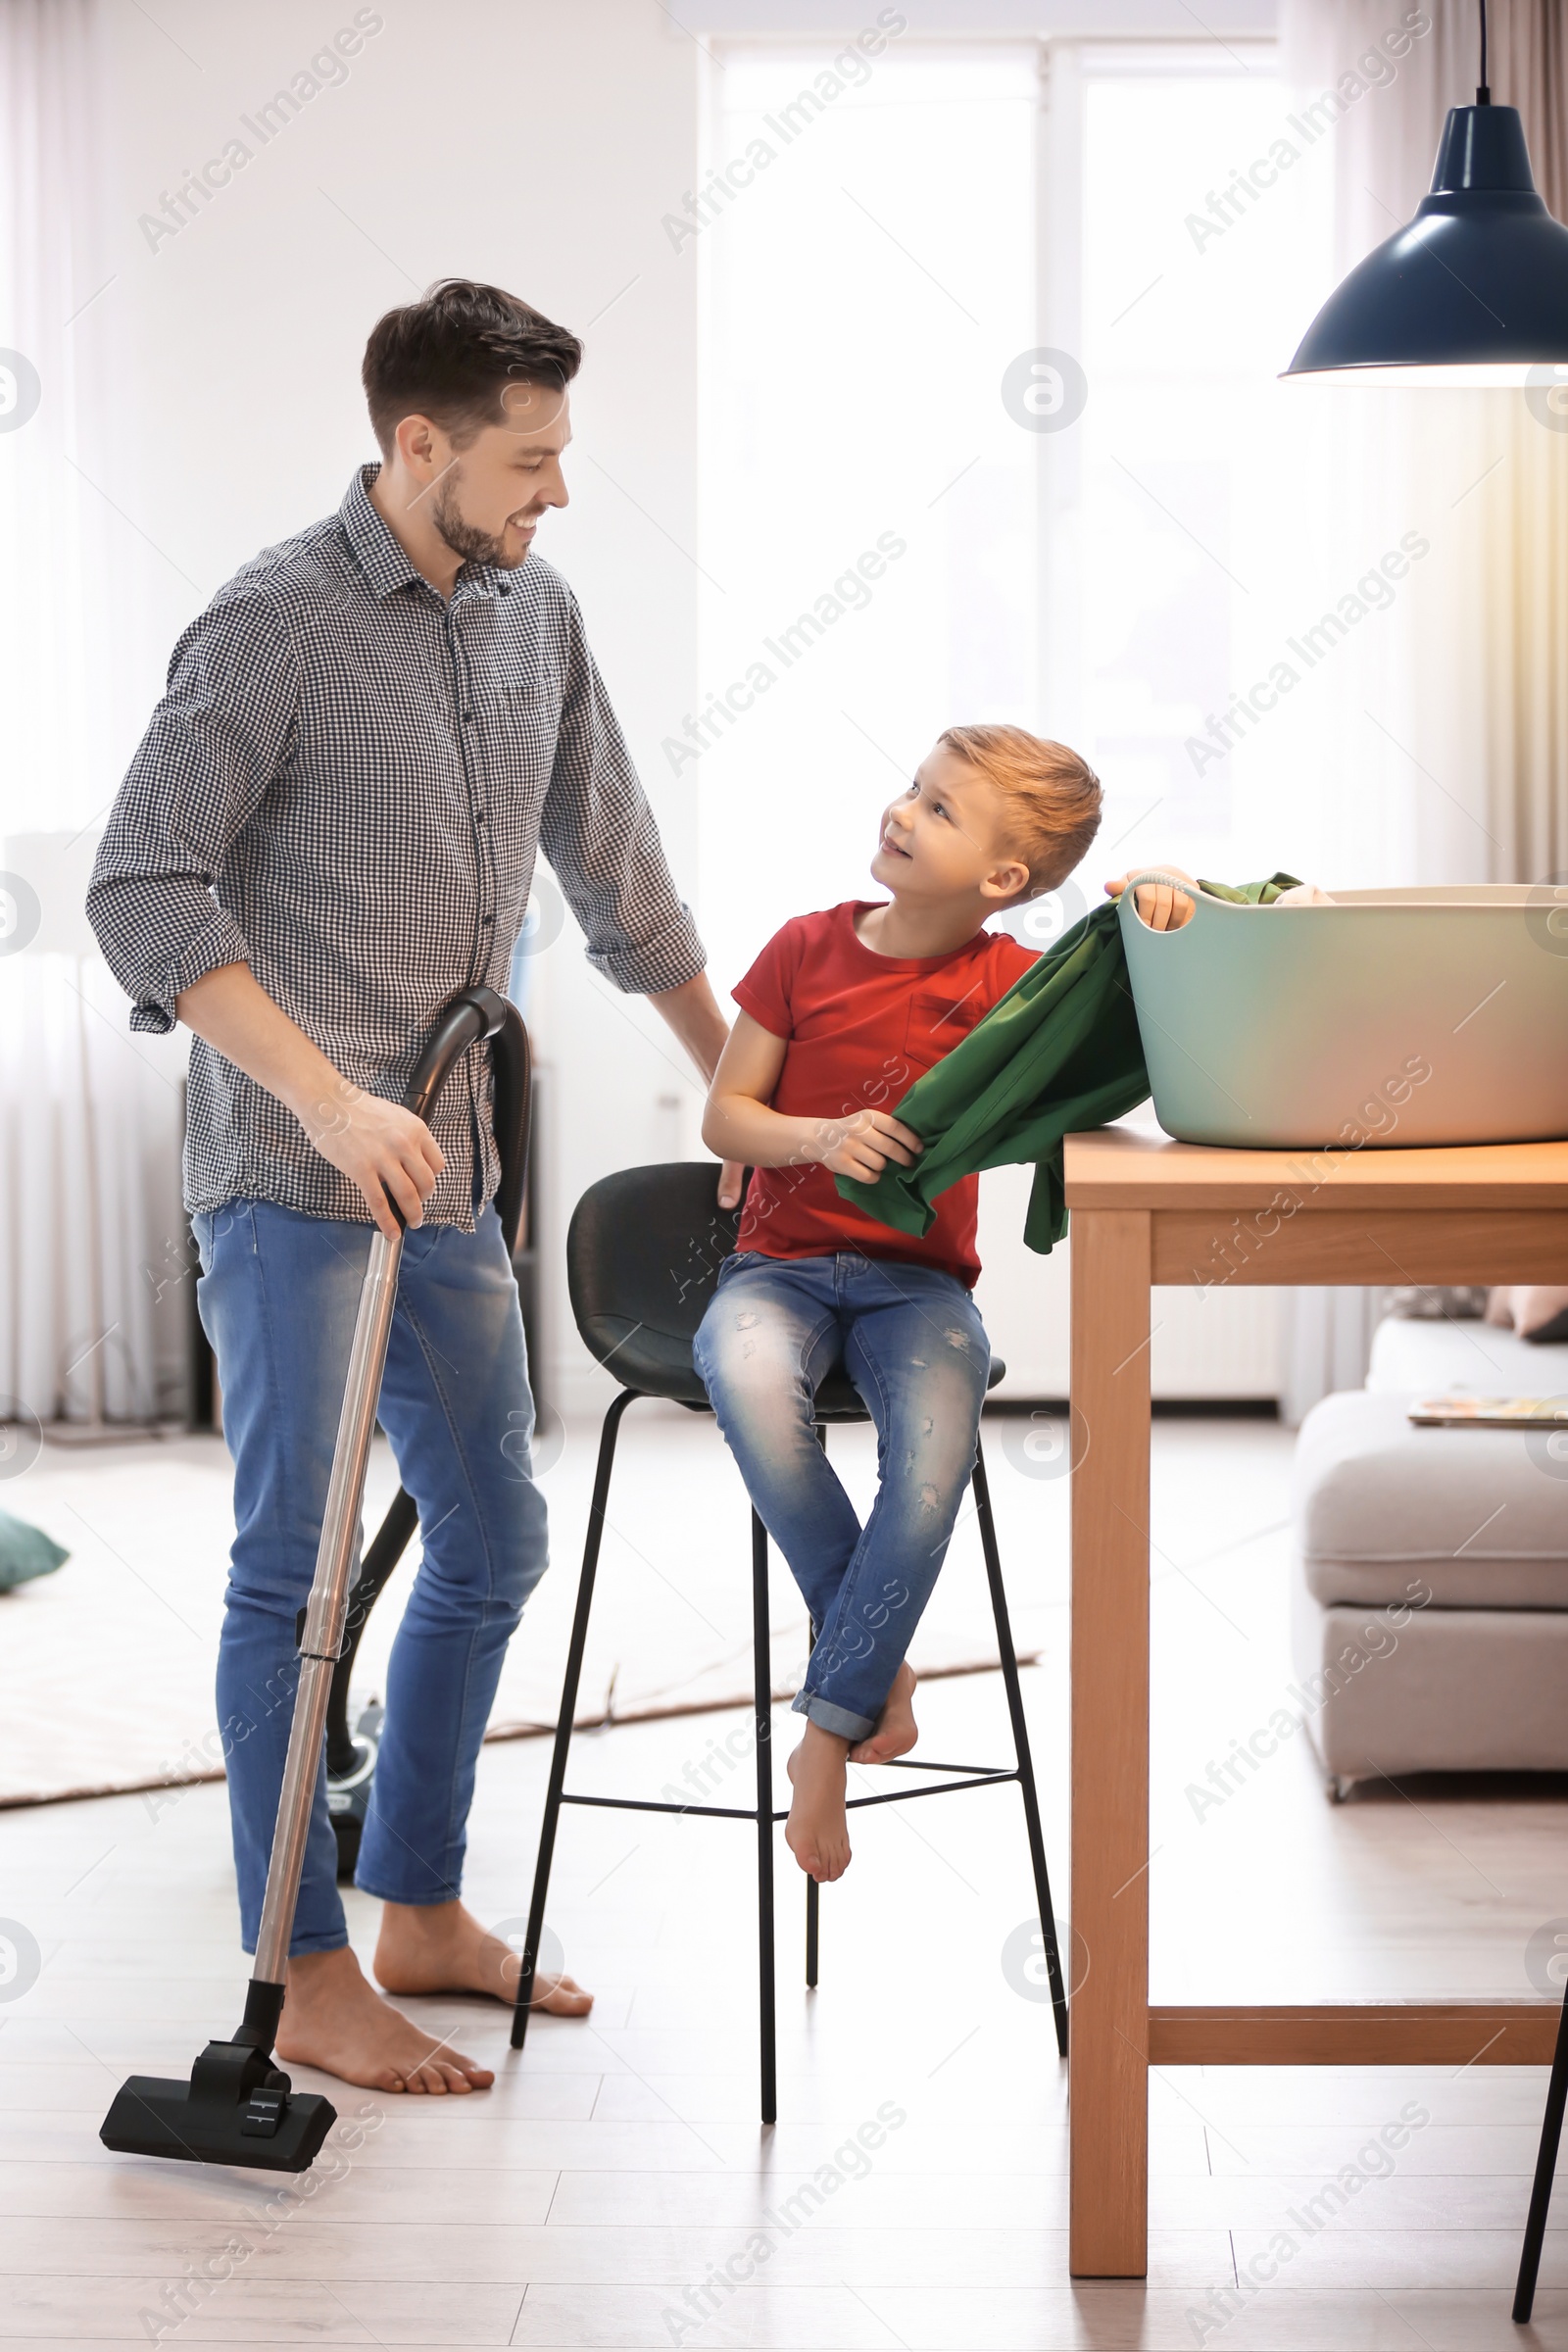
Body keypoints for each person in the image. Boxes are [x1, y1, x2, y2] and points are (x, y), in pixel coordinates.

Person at [87, 279, 739, 2095]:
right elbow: (144, 892)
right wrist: (325, 1096)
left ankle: (420, 1902)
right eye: (529, 461)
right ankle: (296, 1968)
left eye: (562, 460)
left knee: (492, 1539)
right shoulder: (273, 625)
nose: (553, 494)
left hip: (446, 1182)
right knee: (294, 1580)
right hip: (296, 1180)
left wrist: (740, 1088)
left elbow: (621, 875)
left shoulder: (538, 615)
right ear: (419, 443)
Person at [695, 723, 1110, 1883]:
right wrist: (820, 1136)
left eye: (937, 811)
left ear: (1001, 881)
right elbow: (726, 1119)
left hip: (919, 1286)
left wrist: (1159, 914)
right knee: (746, 1381)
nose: (900, 812)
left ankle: (825, 1732)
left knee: (934, 1462)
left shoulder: (1008, 990)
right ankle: (873, 1668)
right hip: (773, 1269)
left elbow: (1124, 1028)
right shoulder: (804, 948)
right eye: (912, 791)